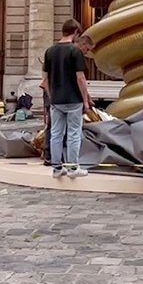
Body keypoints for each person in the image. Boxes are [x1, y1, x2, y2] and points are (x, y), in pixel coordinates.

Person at [44, 19, 94, 178]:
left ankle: (57, 168)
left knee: (56, 133)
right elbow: (80, 78)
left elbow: (45, 79)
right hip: (73, 99)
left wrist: (52, 96)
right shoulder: (75, 51)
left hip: (56, 100)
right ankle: (73, 168)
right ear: (76, 32)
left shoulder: (50, 51)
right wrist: (85, 100)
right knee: (73, 133)